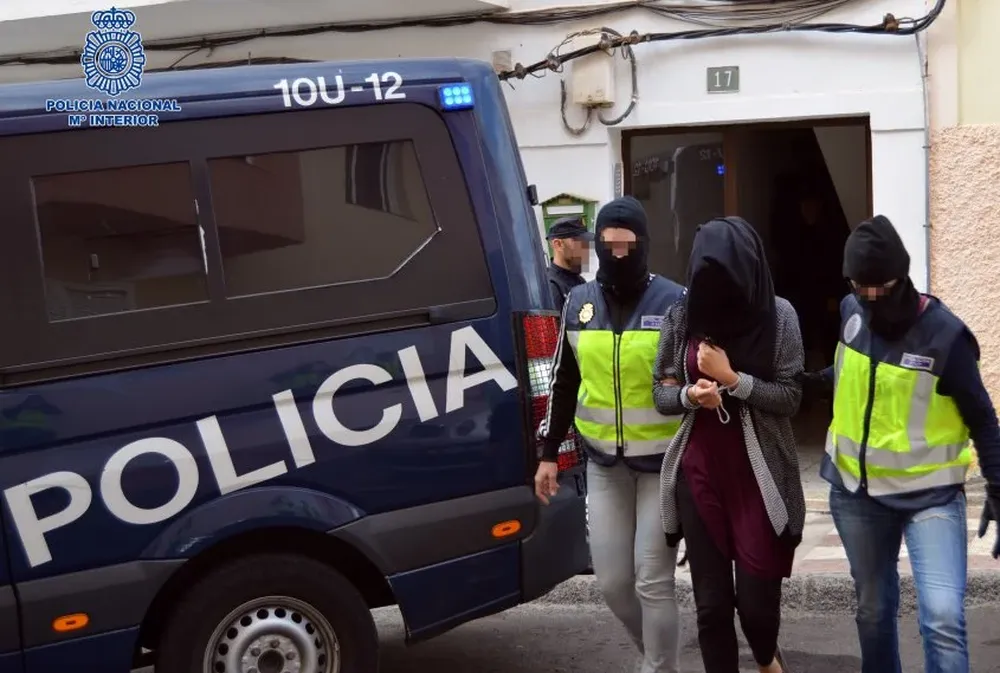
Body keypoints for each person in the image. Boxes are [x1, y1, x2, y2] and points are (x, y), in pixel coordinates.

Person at [799, 215, 1000, 673]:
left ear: (902, 276)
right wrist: (809, 384)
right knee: (873, 611)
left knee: (944, 617)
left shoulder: (946, 336)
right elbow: (857, 377)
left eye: (879, 287)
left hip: (930, 498)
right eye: (858, 286)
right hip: (857, 497)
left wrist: (998, 487)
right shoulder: (852, 312)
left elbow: (984, 420)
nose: (869, 298)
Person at [534, 196, 685, 673]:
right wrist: (547, 452)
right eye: (608, 243)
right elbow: (564, 381)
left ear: (643, 243)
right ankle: (660, 659)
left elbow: (691, 378)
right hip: (603, 466)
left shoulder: (675, 302)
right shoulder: (578, 303)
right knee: (614, 582)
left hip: (662, 464)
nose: (617, 252)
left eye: (627, 243)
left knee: (652, 580)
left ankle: (658, 668)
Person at [654, 217, 806, 673]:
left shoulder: (780, 316)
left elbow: (791, 397)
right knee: (712, 606)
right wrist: (689, 395)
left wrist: (732, 380)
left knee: (758, 609)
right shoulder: (682, 315)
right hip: (700, 474)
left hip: (759, 479)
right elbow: (661, 392)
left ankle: (766, 657)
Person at [545, 216, 593, 312]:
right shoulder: (551, 287)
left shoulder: (579, 280)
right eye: (580, 243)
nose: (586, 249)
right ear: (558, 244)